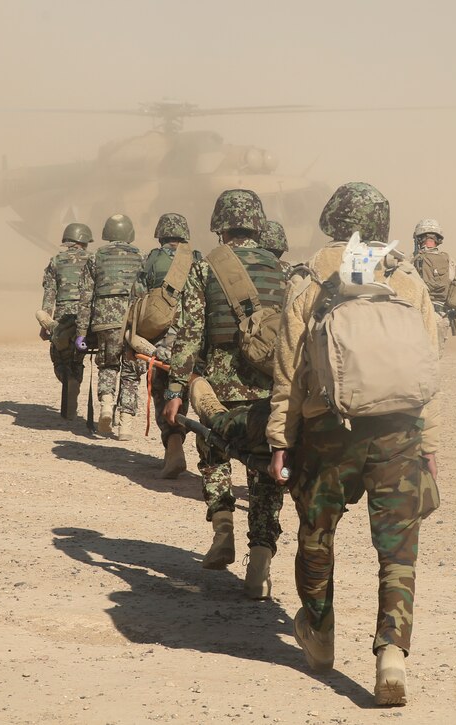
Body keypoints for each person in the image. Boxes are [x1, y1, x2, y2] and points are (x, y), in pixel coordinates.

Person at [267, 182, 441, 706]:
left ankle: (319, 636)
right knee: (397, 547)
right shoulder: (407, 279)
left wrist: (281, 439)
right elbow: (428, 369)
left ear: (332, 220)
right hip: (398, 432)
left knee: (317, 534)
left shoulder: (310, 279)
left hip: (328, 433)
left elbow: (289, 371)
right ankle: (391, 653)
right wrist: (429, 445)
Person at [162, 189, 287, 600]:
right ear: (256, 223)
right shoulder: (281, 270)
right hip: (270, 390)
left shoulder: (205, 268)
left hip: (217, 387)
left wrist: (177, 388)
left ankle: (223, 530)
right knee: (265, 470)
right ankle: (261, 561)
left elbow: (189, 334)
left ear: (220, 224)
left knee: (215, 455)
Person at [139, 213, 203, 478]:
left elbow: (139, 300)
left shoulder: (152, 260)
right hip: (192, 339)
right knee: (183, 392)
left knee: (165, 393)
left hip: (161, 341)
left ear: (161, 234)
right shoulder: (197, 259)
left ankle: (173, 446)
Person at [74, 214, 144, 440]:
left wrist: (81, 332)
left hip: (105, 320)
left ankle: (105, 406)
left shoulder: (96, 258)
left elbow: (85, 298)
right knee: (131, 371)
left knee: (108, 365)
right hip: (134, 321)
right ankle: (126, 424)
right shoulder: (140, 257)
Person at [38, 223, 93, 419]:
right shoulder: (92, 259)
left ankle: (68, 378)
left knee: (59, 356)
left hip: (62, 317)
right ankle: (75, 380)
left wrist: (45, 324)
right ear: (85, 241)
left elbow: (49, 294)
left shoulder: (56, 261)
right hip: (86, 317)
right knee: (78, 357)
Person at [411, 219, 456, 356]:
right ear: (438, 239)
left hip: (415, 317)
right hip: (440, 318)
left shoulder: (410, 261)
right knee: (432, 361)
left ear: (418, 239)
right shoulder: (451, 262)